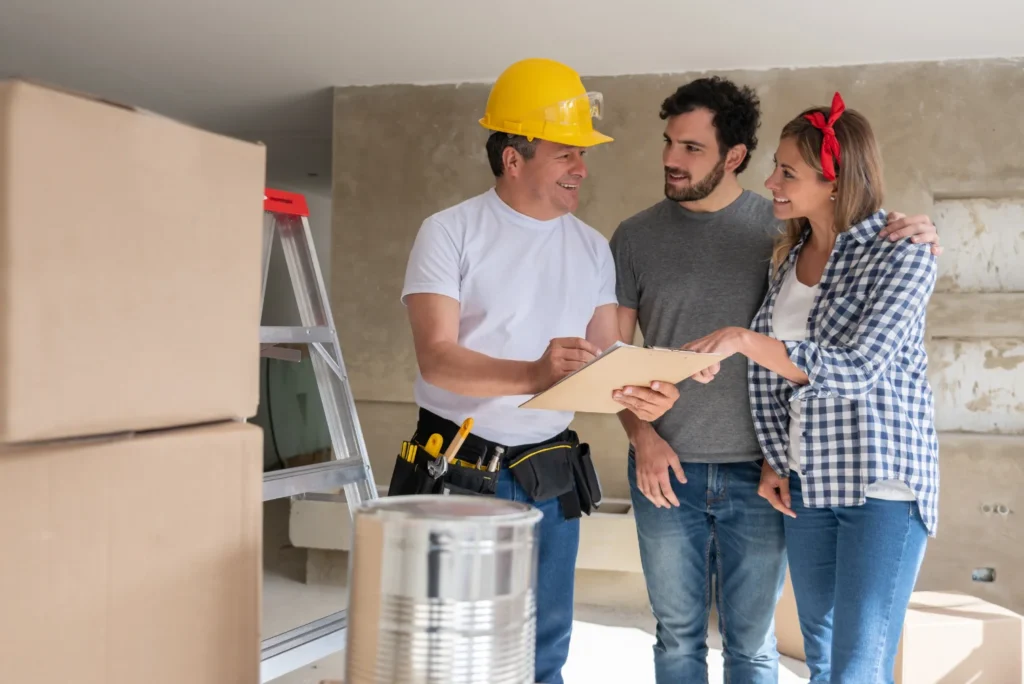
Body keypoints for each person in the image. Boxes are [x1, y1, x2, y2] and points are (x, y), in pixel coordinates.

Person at [608, 77, 940, 684]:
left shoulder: (846, 241)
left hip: (869, 478)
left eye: (691, 147)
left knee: (824, 660)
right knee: (779, 651)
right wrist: (647, 434)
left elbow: (857, 365)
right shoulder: (786, 252)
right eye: (668, 143)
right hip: (791, 481)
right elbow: (763, 382)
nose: (670, 159)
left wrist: (740, 343)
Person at [399, 57, 680, 684]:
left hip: (547, 474)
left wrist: (646, 392)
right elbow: (436, 357)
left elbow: (607, 354)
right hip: (459, 473)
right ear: (514, 159)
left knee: (544, 650)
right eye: (565, 154)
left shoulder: (588, 247)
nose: (582, 168)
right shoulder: (449, 233)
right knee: (448, 657)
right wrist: (533, 375)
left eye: (582, 154)